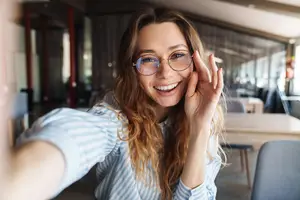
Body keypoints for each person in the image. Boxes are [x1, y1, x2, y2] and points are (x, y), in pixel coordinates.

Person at [0, 6, 225, 200]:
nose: (165, 73)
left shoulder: (205, 119)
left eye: (177, 55)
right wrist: (18, 178)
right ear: (132, 69)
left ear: (195, 62)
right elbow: (79, 133)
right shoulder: (116, 118)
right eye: (148, 59)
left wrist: (199, 128)